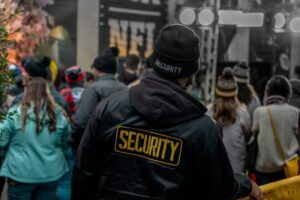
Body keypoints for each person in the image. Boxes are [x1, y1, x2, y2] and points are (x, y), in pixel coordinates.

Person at [71, 24, 262, 200]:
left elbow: (83, 174)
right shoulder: (204, 130)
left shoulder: (109, 108)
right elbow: (219, 188)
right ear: (191, 75)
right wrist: (245, 183)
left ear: (153, 62)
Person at [0, 77, 70, 200]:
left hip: (20, 172)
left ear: (27, 91)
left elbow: (2, 139)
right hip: (50, 173)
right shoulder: (58, 115)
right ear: (47, 92)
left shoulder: (15, 112)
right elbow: (65, 142)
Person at [71, 49, 127, 151]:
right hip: (119, 146)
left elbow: (80, 121)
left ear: (98, 69)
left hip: (95, 146)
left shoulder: (93, 89)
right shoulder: (125, 89)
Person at [252, 75, 300, 185]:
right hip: (287, 169)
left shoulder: (259, 112)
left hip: (262, 171)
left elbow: (253, 134)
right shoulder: (295, 112)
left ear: (267, 93)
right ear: (288, 94)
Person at [207, 67, 251, 173]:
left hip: (212, 171)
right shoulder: (243, 113)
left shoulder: (208, 111)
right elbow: (248, 137)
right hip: (236, 172)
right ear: (235, 93)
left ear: (217, 92)